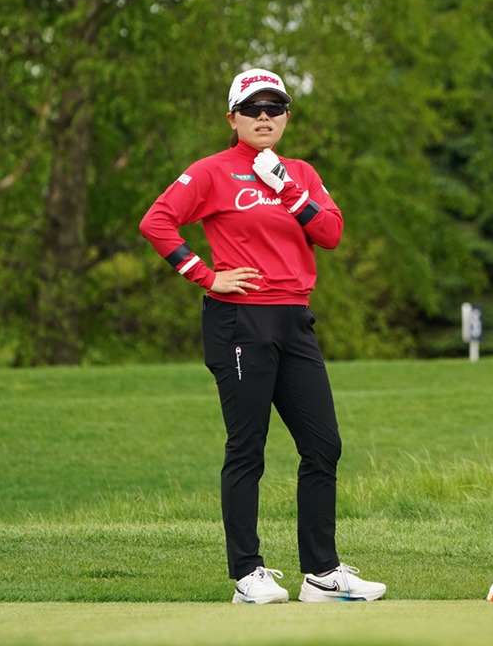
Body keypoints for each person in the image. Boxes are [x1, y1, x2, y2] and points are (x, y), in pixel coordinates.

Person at [140, 68, 388, 604]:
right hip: (239, 321)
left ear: (286, 118)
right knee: (248, 446)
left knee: (324, 446)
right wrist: (204, 275)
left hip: (295, 319)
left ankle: (322, 574)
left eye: (274, 108)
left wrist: (286, 187)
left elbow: (331, 234)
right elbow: (157, 222)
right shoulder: (210, 172)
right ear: (232, 118)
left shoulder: (299, 172)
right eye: (252, 108)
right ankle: (247, 574)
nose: (264, 117)